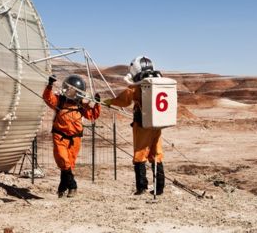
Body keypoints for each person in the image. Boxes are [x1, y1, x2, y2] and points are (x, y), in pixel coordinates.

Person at [103, 56, 165, 195]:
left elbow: (124, 101)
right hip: (158, 124)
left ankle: (141, 187)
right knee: (156, 154)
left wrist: (110, 101)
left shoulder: (136, 87)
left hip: (143, 125)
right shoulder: (158, 83)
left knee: (140, 154)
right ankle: (159, 187)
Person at [43, 74, 101, 198]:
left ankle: (62, 189)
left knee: (68, 164)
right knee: (63, 160)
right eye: (70, 89)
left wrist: (97, 103)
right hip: (60, 136)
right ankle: (73, 186)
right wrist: (49, 85)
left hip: (75, 139)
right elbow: (48, 98)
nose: (72, 92)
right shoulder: (60, 101)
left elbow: (92, 116)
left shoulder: (81, 105)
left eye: (74, 90)